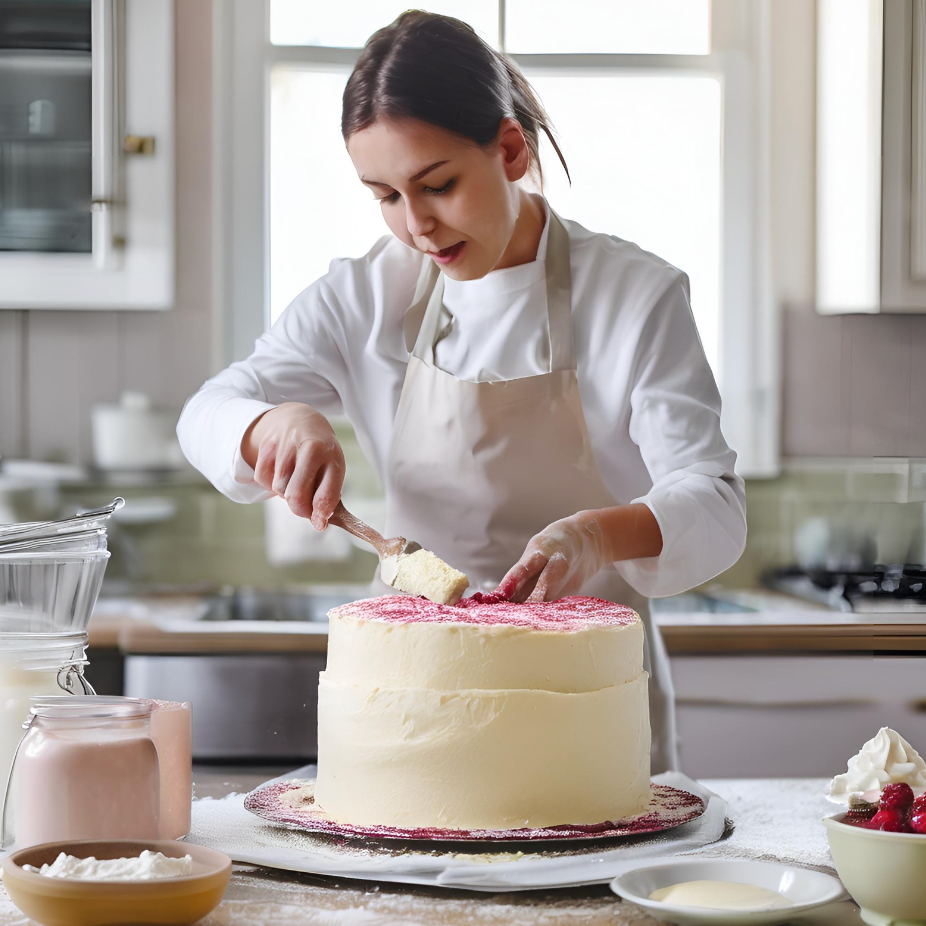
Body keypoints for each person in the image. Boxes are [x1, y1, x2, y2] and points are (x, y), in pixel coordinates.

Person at [178, 10, 746, 773]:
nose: (415, 225)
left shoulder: (634, 296)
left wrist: (598, 535)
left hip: (587, 710)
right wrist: (272, 423)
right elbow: (207, 411)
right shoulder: (364, 294)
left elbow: (712, 500)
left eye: (437, 185)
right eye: (383, 195)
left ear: (510, 149)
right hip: (416, 704)